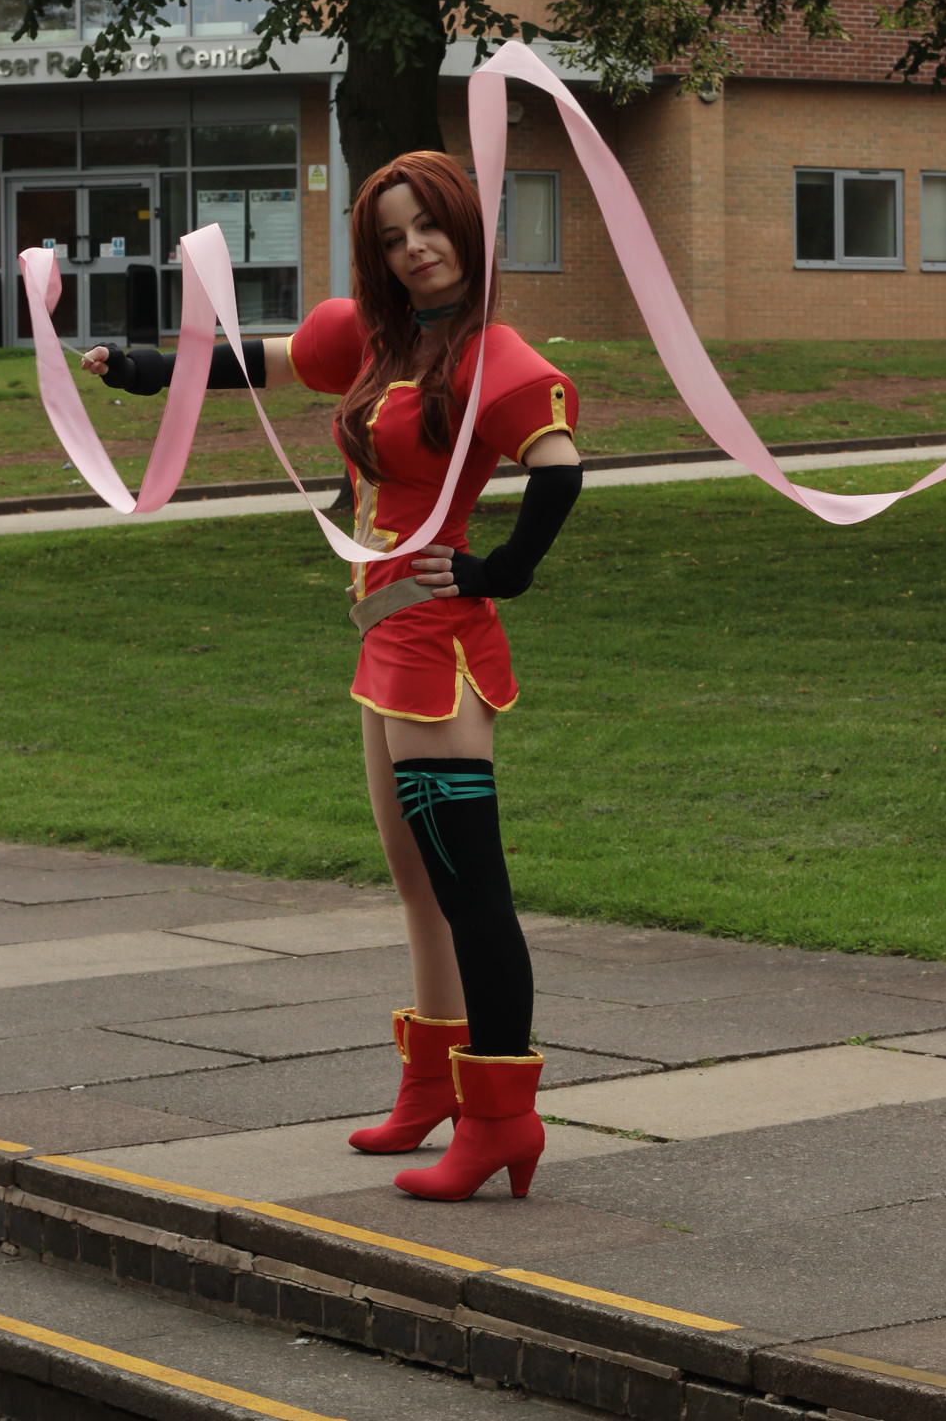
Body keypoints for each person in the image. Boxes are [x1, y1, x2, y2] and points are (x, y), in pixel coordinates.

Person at [81, 150, 582, 1201]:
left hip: (440, 645)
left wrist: (501, 571)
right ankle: (432, 1085)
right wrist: (143, 369)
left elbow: (558, 466)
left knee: (471, 890)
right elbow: (256, 361)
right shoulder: (373, 339)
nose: (416, 250)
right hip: (382, 639)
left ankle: (504, 1119)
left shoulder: (494, 355)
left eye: (429, 226)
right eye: (393, 237)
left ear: (466, 225)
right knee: (415, 881)